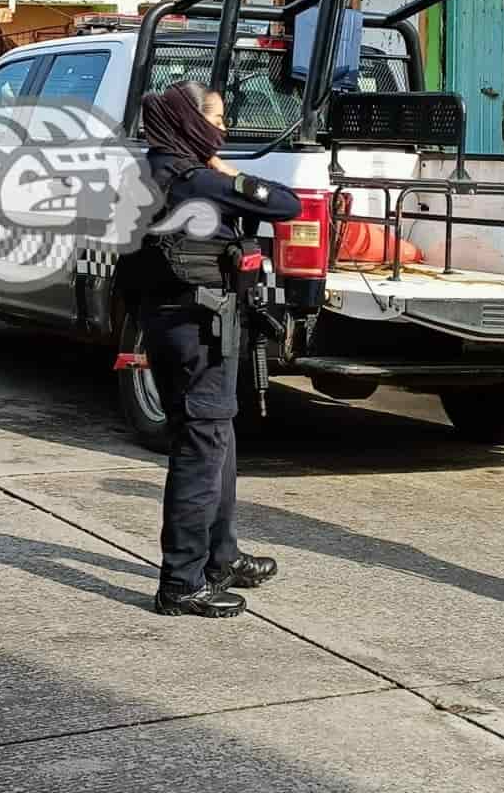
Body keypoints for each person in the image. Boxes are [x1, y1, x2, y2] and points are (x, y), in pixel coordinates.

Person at [134, 80, 300, 618]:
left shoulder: (144, 169)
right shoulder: (195, 180)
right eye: (216, 119)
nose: (222, 130)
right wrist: (233, 175)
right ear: (190, 122)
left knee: (214, 437)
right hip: (199, 327)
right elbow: (285, 204)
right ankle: (181, 580)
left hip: (167, 323)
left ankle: (220, 557)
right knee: (202, 447)